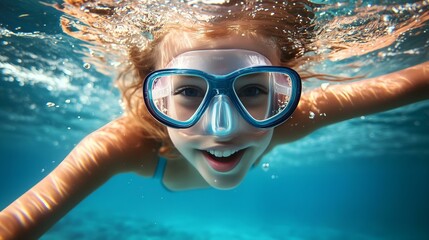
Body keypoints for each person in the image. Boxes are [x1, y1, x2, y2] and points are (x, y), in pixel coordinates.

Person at [1, 0, 428, 239]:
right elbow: (18, 222)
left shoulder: (290, 116)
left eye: (253, 90)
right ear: (153, 93)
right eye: (188, 92)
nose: (223, 128)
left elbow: (411, 83)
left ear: (284, 90)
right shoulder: (126, 143)